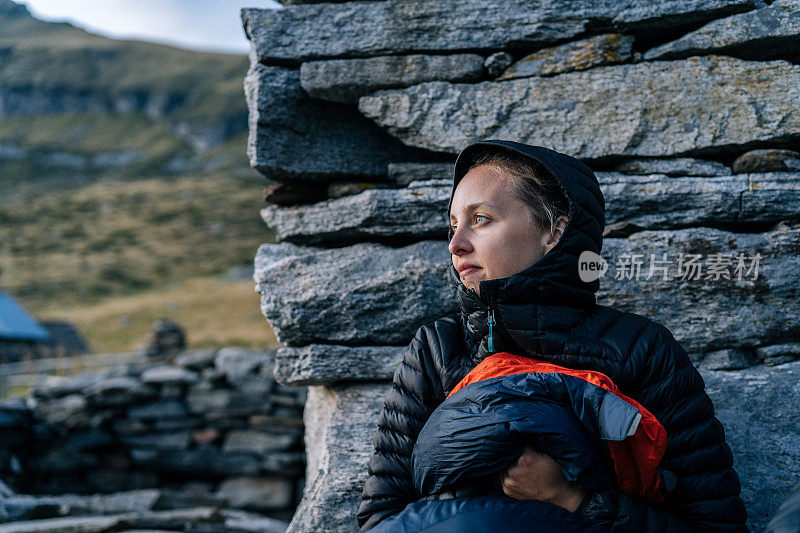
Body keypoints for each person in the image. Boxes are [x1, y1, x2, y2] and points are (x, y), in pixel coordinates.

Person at [357, 139, 748, 532]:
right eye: (453, 225)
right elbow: (380, 518)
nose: (456, 245)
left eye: (480, 219)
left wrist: (569, 499)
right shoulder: (436, 349)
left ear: (554, 231)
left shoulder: (641, 350)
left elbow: (715, 526)